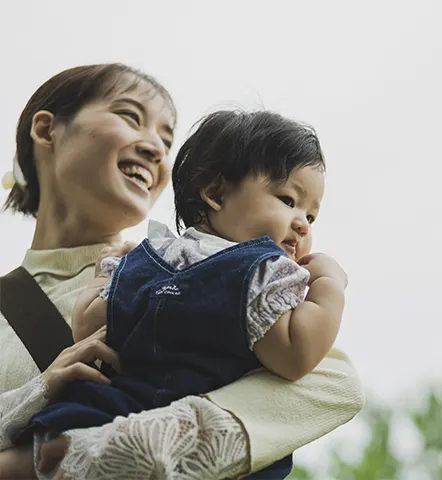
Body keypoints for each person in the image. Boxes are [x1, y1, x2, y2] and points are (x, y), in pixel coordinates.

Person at [0, 64, 364, 479]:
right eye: (130, 116)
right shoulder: (131, 277)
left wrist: (99, 452)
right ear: (47, 130)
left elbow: (334, 384)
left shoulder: (198, 270)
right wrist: (38, 392)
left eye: (167, 139)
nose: (156, 149)